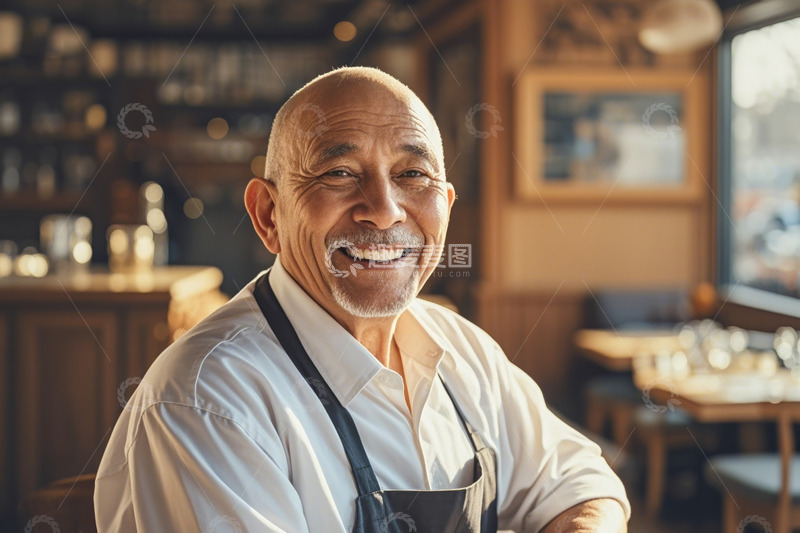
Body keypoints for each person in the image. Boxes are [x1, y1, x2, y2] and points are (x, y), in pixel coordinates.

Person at [95, 67, 630, 532]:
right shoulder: (210, 400)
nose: (384, 209)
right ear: (267, 215)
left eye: (412, 174)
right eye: (339, 174)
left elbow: (583, 485)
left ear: (444, 206)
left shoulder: (463, 353)